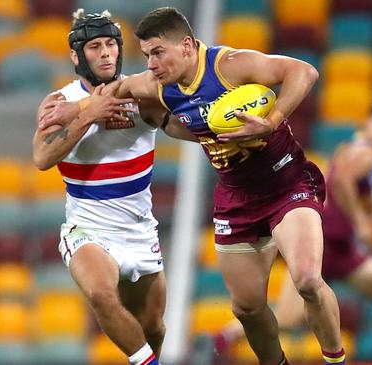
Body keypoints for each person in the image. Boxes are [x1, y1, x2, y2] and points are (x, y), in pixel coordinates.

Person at [41, 7, 347, 365]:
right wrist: (75, 109)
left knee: (307, 280)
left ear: (186, 46)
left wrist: (273, 120)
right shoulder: (160, 86)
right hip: (236, 196)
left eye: (157, 54)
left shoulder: (229, 64)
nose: (150, 64)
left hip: (285, 183)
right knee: (246, 308)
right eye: (146, 56)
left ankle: (335, 358)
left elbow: (304, 71)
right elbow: (119, 88)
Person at [213, 99, 372, 365]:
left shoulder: (361, 154)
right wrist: (361, 221)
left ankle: (225, 336)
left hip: (339, 245)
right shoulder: (366, 154)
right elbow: (342, 181)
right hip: (329, 240)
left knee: (289, 317)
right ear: (369, 122)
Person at [33, 9, 195, 365]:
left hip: (138, 229)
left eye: (111, 44)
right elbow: (42, 158)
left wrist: (216, 130)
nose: (106, 53)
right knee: (102, 296)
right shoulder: (60, 102)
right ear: (76, 56)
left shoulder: (140, 92)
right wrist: (91, 112)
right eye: (95, 46)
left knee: (154, 328)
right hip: (88, 229)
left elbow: (176, 124)